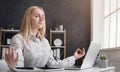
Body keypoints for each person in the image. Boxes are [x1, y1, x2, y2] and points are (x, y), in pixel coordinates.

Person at [5, 6, 85, 70]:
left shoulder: (45, 42)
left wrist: (74, 57)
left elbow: (53, 64)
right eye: (37, 16)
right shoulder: (18, 39)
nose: (41, 19)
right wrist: (13, 66)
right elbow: (19, 67)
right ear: (28, 19)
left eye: (43, 17)